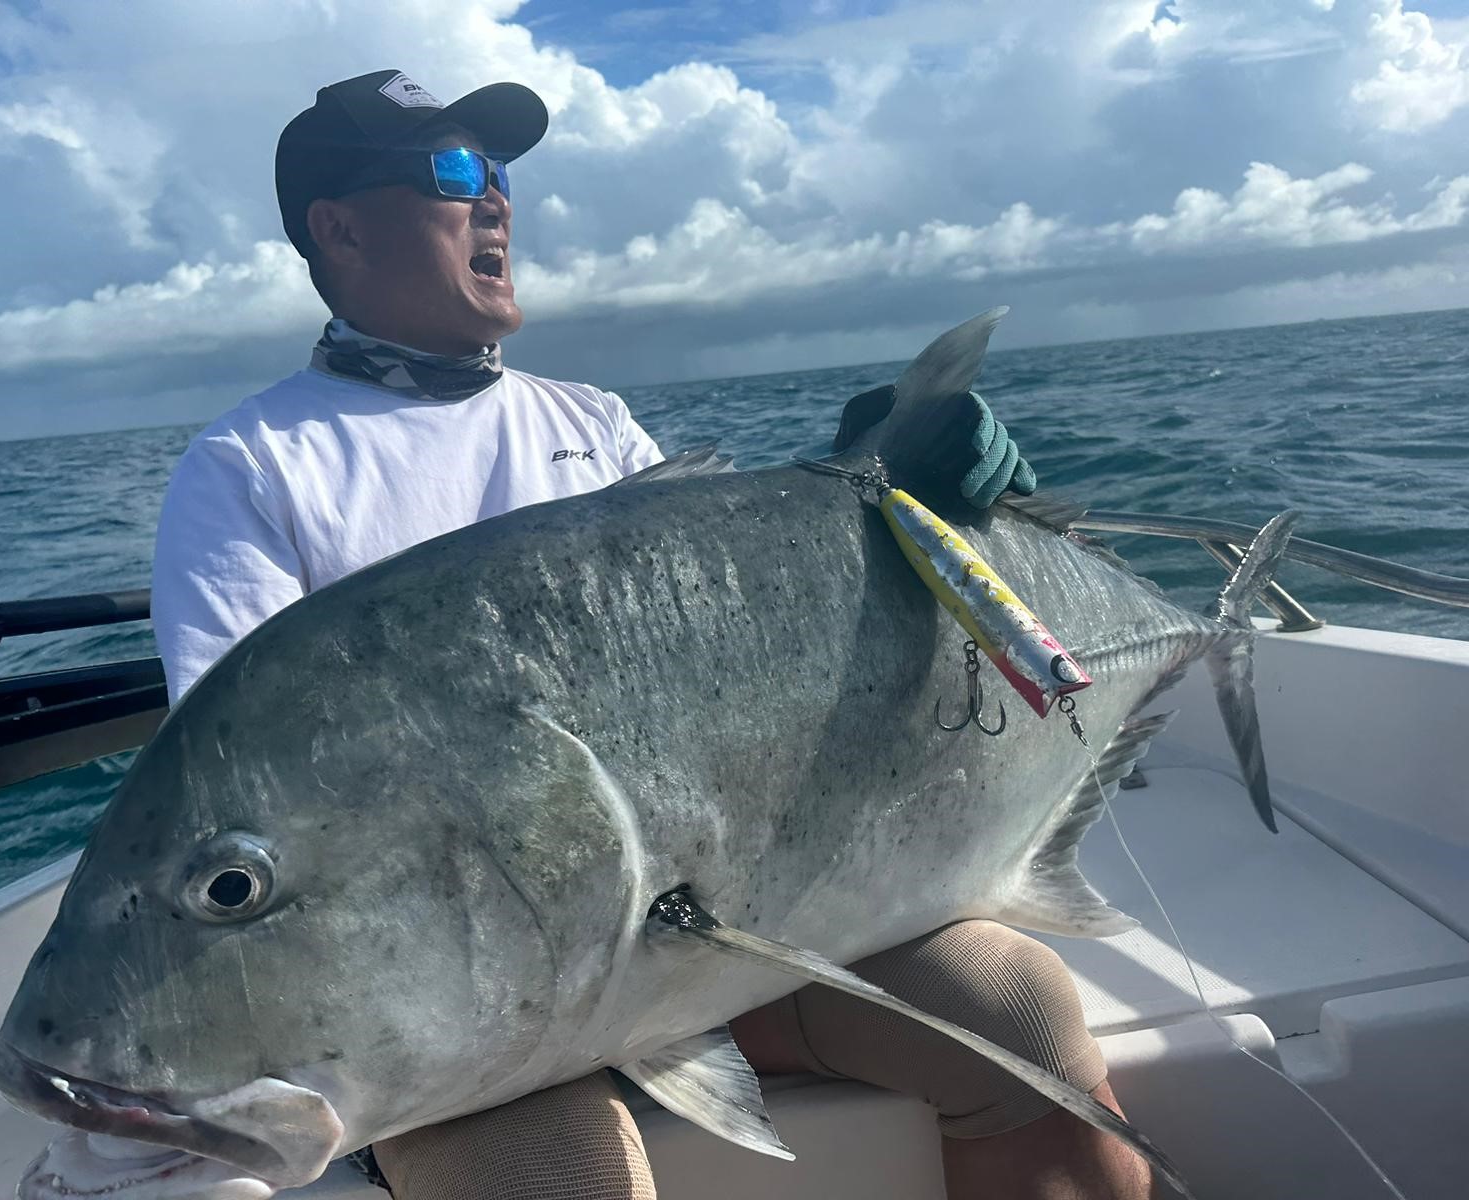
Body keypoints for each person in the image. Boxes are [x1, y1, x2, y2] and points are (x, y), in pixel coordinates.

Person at [150, 69, 1155, 1200]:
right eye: (448, 174)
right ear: (336, 227)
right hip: (469, 1004)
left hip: (696, 932)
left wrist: (863, 492)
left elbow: (739, 643)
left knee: (1013, 1015)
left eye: (497, 174)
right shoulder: (252, 467)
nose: (493, 201)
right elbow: (240, 795)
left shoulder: (589, 423)